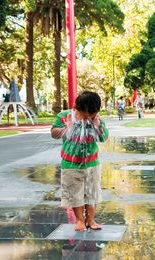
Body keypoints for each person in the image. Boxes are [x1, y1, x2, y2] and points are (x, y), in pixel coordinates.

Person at [51, 91, 109, 232]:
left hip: (92, 163)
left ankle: (90, 219)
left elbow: (103, 138)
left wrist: (97, 125)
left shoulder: (96, 120)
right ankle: (79, 220)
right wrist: (66, 128)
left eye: (92, 114)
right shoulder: (65, 116)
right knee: (75, 193)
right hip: (71, 164)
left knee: (92, 193)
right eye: (86, 114)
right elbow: (53, 133)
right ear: (76, 107)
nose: (89, 117)